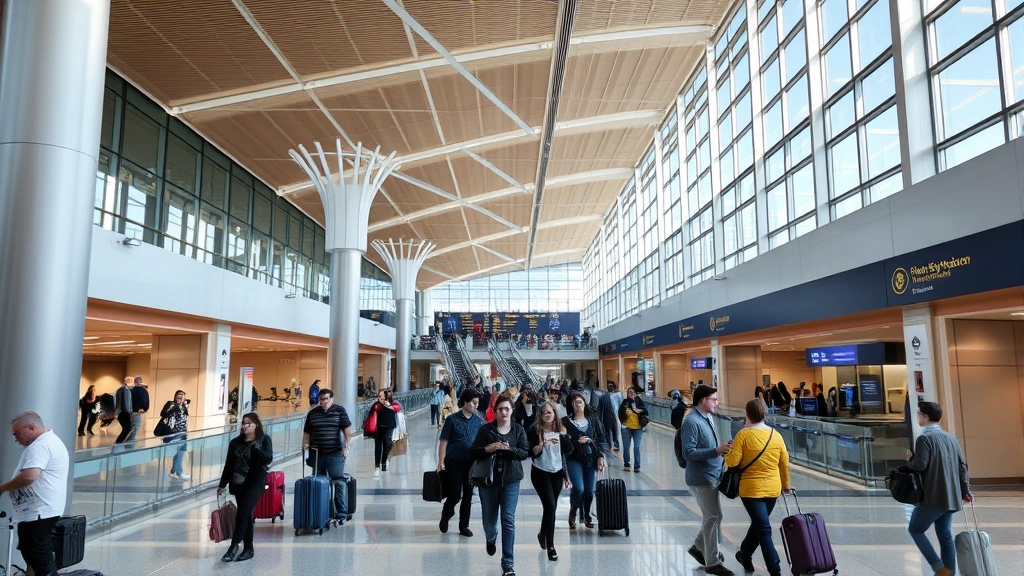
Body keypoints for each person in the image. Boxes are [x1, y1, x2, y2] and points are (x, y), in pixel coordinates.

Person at [905, 401, 973, 576]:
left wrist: (909, 459)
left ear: (926, 417)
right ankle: (949, 572)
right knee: (945, 534)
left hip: (933, 496)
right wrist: (966, 491)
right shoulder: (952, 438)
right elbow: (962, 467)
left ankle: (938, 567)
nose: (918, 417)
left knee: (915, 529)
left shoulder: (924, 438)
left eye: (919, 413)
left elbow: (920, 465)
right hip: (951, 495)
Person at [725, 399, 791, 576]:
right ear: (765, 414)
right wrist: (786, 485)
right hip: (773, 489)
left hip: (751, 490)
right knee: (760, 524)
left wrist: (727, 452)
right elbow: (784, 463)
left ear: (747, 414)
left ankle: (774, 569)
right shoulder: (776, 435)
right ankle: (745, 555)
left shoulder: (743, 435)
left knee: (762, 527)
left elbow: (733, 461)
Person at [0, 412, 69, 576]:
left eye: (16, 433)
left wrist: (3, 488)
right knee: (33, 553)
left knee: (39, 555)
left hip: (39, 513)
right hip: (38, 512)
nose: (15, 439)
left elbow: (29, 476)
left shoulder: (41, 446)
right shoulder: (47, 442)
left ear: (30, 428)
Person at [470, 393, 529, 576]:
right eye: (500, 409)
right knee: (489, 521)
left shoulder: (518, 430)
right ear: (495, 412)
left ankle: (508, 563)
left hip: (511, 480)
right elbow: (475, 452)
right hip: (489, 481)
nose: (504, 412)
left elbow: (524, 452)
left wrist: (509, 450)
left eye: (507, 409)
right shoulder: (486, 430)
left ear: (511, 411)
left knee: (508, 520)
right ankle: (491, 537)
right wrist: (489, 448)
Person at [681, 384, 734, 575]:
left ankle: (698, 547)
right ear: (702, 400)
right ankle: (712, 561)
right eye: (713, 399)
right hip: (701, 478)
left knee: (715, 516)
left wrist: (721, 453)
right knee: (712, 516)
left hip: (712, 474)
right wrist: (716, 451)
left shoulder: (708, 417)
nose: (716, 402)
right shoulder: (691, 422)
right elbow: (689, 452)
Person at [217, 413, 273, 563]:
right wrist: (222, 484)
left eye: (248, 423)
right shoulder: (235, 443)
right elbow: (229, 465)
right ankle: (248, 548)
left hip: (256, 482)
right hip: (238, 482)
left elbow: (268, 459)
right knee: (246, 515)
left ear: (256, 425)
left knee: (242, 513)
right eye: (243, 423)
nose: (244, 426)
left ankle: (233, 547)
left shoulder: (264, 439)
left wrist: (257, 448)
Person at [437, 388, 485, 538]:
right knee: (455, 494)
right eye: (473, 402)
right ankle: (447, 513)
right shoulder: (452, 419)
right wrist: (440, 462)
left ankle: (464, 525)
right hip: (454, 462)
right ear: (465, 402)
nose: (476, 406)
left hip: (471, 463)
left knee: (469, 495)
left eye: (477, 403)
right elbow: (443, 441)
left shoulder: (479, 421)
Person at [528, 401, 572, 561]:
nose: (546, 415)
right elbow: (529, 452)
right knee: (550, 505)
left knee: (550, 508)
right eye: (543, 413)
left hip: (557, 472)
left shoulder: (561, 429)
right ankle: (551, 545)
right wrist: (539, 447)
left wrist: (564, 437)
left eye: (549, 412)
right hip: (540, 472)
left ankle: (542, 533)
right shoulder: (535, 431)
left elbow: (567, 452)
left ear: (554, 414)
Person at [302, 388, 353, 524]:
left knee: (338, 481)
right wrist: (305, 444)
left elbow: (347, 429)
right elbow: (307, 432)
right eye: (321, 400)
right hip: (317, 453)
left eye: (325, 399)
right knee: (318, 482)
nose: (323, 402)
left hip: (335, 453)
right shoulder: (313, 413)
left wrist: (347, 447)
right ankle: (321, 512)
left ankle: (341, 512)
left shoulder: (339, 411)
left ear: (332, 399)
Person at [562, 391, 607, 529]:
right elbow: (563, 444)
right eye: (575, 402)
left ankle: (587, 515)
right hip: (574, 459)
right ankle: (574, 511)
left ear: (585, 402)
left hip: (590, 459)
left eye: (580, 401)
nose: (578, 404)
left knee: (588, 491)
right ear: (571, 405)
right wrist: (576, 442)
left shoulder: (593, 420)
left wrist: (600, 456)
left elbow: (601, 438)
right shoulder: (566, 422)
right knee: (579, 488)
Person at [162, 390, 191, 480]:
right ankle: (179, 472)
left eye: (183, 395)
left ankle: (174, 471)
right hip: (174, 433)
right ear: (175, 396)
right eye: (179, 395)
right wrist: (175, 406)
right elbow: (163, 414)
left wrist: (184, 402)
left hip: (182, 433)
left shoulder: (184, 405)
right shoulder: (171, 404)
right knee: (179, 453)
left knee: (180, 453)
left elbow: (188, 402)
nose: (181, 397)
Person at [618, 386, 648, 472]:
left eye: (632, 392)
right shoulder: (625, 402)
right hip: (626, 428)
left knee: (636, 447)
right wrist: (623, 421)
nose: (631, 394)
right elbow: (620, 413)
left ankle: (637, 466)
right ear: (627, 394)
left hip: (637, 428)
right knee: (626, 447)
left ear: (635, 394)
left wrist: (640, 410)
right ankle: (626, 463)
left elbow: (646, 411)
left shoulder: (638, 401)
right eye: (629, 392)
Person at [372, 388, 401, 476]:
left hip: (390, 427)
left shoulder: (393, 404)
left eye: (382, 395)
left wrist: (388, 405)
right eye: (379, 396)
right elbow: (373, 412)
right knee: (378, 446)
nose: (380, 397)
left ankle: (384, 462)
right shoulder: (377, 405)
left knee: (387, 444)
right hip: (378, 427)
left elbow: (398, 409)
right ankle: (377, 466)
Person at [597, 382, 621, 451]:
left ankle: (613, 445)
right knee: (610, 432)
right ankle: (611, 445)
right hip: (609, 417)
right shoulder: (603, 397)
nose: (611, 388)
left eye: (611, 386)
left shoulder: (616, 396)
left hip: (611, 417)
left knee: (613, 432)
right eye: (610, 386)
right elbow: (600, 409)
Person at [127, 376, 150, 442]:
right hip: (137, 412)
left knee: (133, 427)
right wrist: (144, 408)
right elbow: (144, 400)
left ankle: (129, 441)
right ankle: (129, 441)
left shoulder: (130, 390)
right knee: (136, 427)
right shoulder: (142, 390)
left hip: (131, 411)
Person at [114, 377, 134, 444]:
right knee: (127, 429)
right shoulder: (124, 390)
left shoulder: (123, 390)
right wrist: (127, 412)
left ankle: (118, 444)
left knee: (126, 429)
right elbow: (124, 403)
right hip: (124, 413)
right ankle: (118, 444)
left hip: (124, 412)